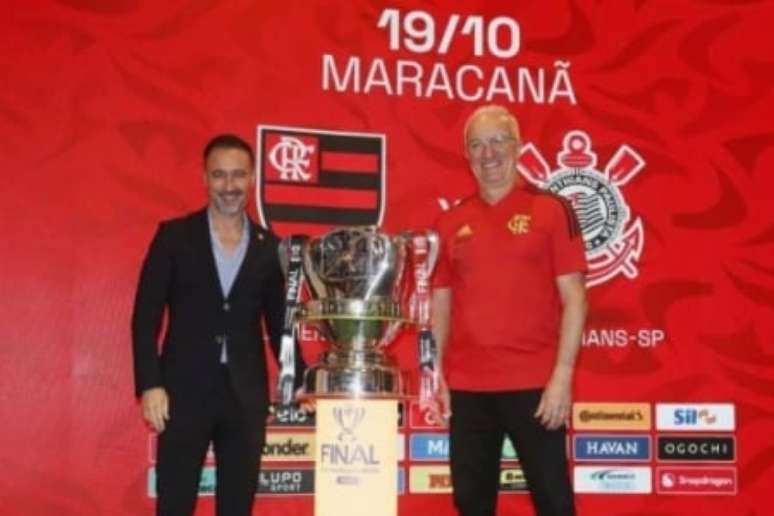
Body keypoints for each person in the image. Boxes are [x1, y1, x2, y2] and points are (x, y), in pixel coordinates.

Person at [131, 134, 304, 516]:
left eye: (239, 175)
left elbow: (281, 328)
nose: (230, 186)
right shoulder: (174, 237)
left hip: (245, 399)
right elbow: (145, 318)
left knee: (237, 507)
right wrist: (150, 384)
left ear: (253, 177)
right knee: (174, 504)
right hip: (181, 394)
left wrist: (303, 379)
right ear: (205, 178)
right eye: (220, 175)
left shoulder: (268, 247)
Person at [431, 105, 588, 516]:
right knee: (471, 503)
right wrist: (437, 374)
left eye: (498, 141)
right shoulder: (450, 222)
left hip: (535, 386)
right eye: (477, 145)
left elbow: (575, 297)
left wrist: (563, 376)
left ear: (518, 147)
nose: (489, 153)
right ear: (467, 155)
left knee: (554, 502)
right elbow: (441, 300)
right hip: (467, 388)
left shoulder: (551, 210)